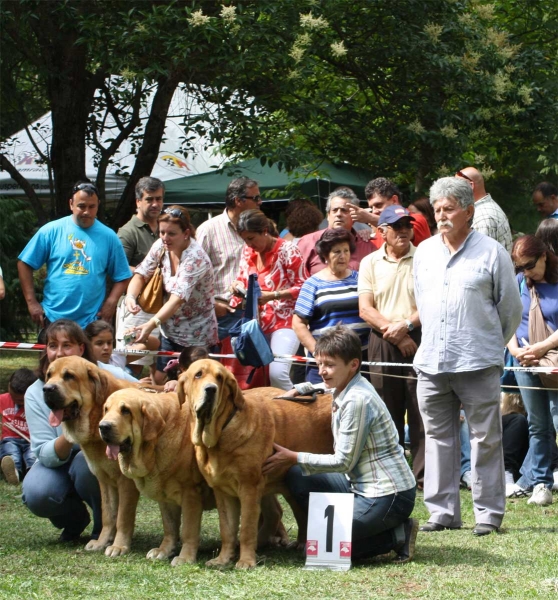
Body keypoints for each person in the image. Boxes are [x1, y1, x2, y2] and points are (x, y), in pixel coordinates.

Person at [413, 176, 522, 536]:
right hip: (431, 361)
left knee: (485, 438)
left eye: (449, 208)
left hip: (477, 361)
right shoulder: (425, 252)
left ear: (469, 211)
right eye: (438, 209)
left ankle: (488, 514)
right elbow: (421, 301)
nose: (442, 215)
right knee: (438, 437)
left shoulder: (492, 252)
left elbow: (510, 310)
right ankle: (442, 512)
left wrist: (489, 345)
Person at [262, 325, 418, 563]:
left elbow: (343, 461)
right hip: (360, 488)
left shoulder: (357, 400)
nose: (323, 371)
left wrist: (294, 456)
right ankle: (345, 528)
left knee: (321, 550)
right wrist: (300, 388)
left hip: (390, 496)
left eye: (330, 365)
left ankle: (399, 534)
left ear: (354, 364)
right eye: (320, 363)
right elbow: (324, 386)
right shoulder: (345, 384)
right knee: (297, 475)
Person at [358, 205, 425, 488]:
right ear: (381, 231)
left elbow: (432, 302)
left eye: (407, 225)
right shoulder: (370, 262)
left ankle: (423, 478)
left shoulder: (423, 258)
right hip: (383, 341)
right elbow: (365, 309)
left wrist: (407, 327)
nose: (403, 231)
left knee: (422, 408)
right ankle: (394, 474)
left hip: (419, 337)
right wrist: (395, 332)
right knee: (387, 410)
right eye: (396, 226)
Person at [18, 182, 131, 339]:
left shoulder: (109, 236)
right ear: (71, 204)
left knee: (87, 365)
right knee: (52, 364)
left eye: (92, 207)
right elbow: (24, 263)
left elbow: (123, 275)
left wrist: (111, 302)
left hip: (91, 322)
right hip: (52, 317)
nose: (86, 212)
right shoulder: (51, 231)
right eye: (81, 206)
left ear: (98, 205)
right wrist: (32, 303)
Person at [22, 320, 103, 541]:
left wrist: (166, 385)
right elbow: (43, 453)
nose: (59, 353)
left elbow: (133, 387)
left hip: (93, 458)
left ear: (81, 348)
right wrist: (70, 433)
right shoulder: (36, 392)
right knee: (37, 493)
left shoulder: (100, 375)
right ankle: (75, 520)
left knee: (89, 465)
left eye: (67, 345)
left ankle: (105, 528)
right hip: (57, 461)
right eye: (52, 345)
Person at [125, 206, 218, 384]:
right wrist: (130, 296)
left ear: (186, 233)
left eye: (171, 234)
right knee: (159, 379)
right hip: (169, 329)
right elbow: (141, 273)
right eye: (162, 232)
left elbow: (176, 301)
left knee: (192, 384)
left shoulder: (195, 258)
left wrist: (150, 324)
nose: (165, 238)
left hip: (196, 336)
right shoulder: (161, 245)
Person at [505, 235, 558, 506]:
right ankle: (541, 483)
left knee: (557, 418)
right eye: (520, 267)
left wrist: (543, 347)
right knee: (538, 425)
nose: (526, 272)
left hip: (554, 362)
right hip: (524, 362)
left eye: (529, 265)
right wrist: (515, 352)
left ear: (544, 257)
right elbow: (509, 320)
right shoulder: (519, 283)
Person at [229, 209, 307, 390]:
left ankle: (299, 407)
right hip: (256, 323)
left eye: (251, 238)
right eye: (245, 240)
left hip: (286, 320)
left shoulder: (288, 250)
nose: (248, 244)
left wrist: (273, 295)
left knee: (277, 373)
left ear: (265, 231)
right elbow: (242, 278)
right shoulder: (248, 251)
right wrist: (236, 287)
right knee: (259, 378)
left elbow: (303, 286)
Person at [293, 228, 370, 384]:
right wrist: (318, 354)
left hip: (360, 358)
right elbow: (298, 323)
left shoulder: (361, 278)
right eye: (337, 252)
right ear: (325, 256)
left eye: (346, 251)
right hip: (326, 364)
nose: (343, 256)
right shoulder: (313, 284)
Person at [196, 177, 262, 342]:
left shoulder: (261, 228)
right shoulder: (208, 230)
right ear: (238, 200)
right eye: (255, 198)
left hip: (255, 313)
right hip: (223, 314)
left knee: (252, 366)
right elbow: (194, 276)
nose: (260, 202)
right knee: (221, 366)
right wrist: (212, 305)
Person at [115, 176, 164, 376]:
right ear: (138, 201)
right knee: (130, 366)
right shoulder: (127, 232)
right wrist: (150, 273)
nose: (155, 204)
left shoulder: (164, 227)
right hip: (136, 308)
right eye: (149, 199)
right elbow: (119, 268)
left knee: (159, 364)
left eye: (159, 199)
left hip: (161, 306)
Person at [297, 188, 374, 275]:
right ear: (328, 216)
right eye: (334, 210)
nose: (338, 214)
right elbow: (296, 280)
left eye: (344, 210)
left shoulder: (367, 245)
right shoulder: (308, 242)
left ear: (354, 216)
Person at [349, 178, 431, 247]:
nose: (374, 211)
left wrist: (369, 218)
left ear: (394, 200)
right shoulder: (380, 231)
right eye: (371, 207)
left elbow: (403, 228)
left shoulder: (418, 220)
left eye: (378, 205)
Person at [455, 167, 512, 252]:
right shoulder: (485, 209)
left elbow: (480, 258)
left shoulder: (483, 217)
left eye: (457, 186)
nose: (453, 192)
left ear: (471, 186)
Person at [0, 368, 38, 485]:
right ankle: (14, 472)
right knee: (11, 453)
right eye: (14, 398)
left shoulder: (37, 403)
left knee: (32, 455)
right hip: (10, 439)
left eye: (22, 400)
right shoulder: (3, 399)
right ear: (9, 387)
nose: (18, 402)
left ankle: (34, 472)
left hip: (30, 440)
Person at [84, 320, 157, 373]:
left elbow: (154, 344)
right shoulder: (82, 367)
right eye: (99, 343)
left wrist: (137, 336)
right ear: (88, 345)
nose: (106, 347)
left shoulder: (117, 358)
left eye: (109, 343)